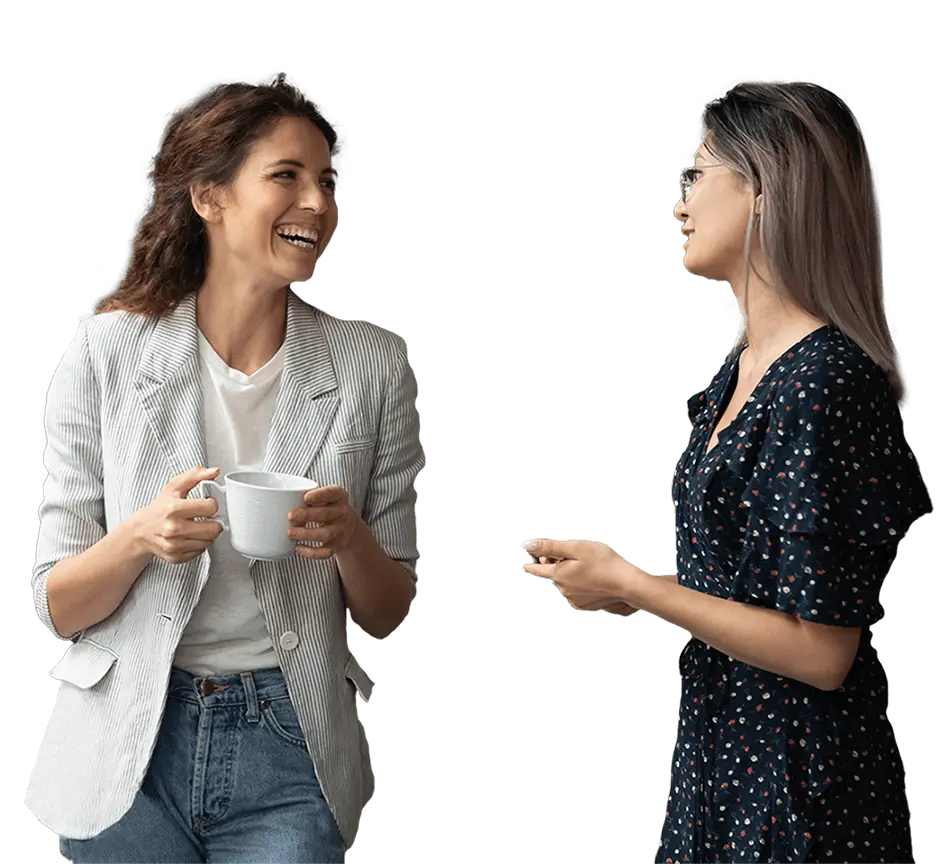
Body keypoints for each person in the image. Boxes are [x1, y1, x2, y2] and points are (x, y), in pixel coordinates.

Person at [523, 79, 931, 863]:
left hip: (803, 795)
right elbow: (757, 593)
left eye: (698, 175)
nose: (680, 204)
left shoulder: (825, 382)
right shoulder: (737, 374)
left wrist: (641, 587)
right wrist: (623, 587)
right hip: (724, 768)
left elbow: (820, 650)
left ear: (766, 192)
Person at [27, 72, 424, 864]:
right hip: (124, 741)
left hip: (292, 742)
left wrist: (349, 539)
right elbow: (57, 604)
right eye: (287, 176)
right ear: (208, 196)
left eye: (328, 182)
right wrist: (140, 537)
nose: (318, 202)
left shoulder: (375, 364)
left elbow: (388, 614)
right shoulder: (106, 350)